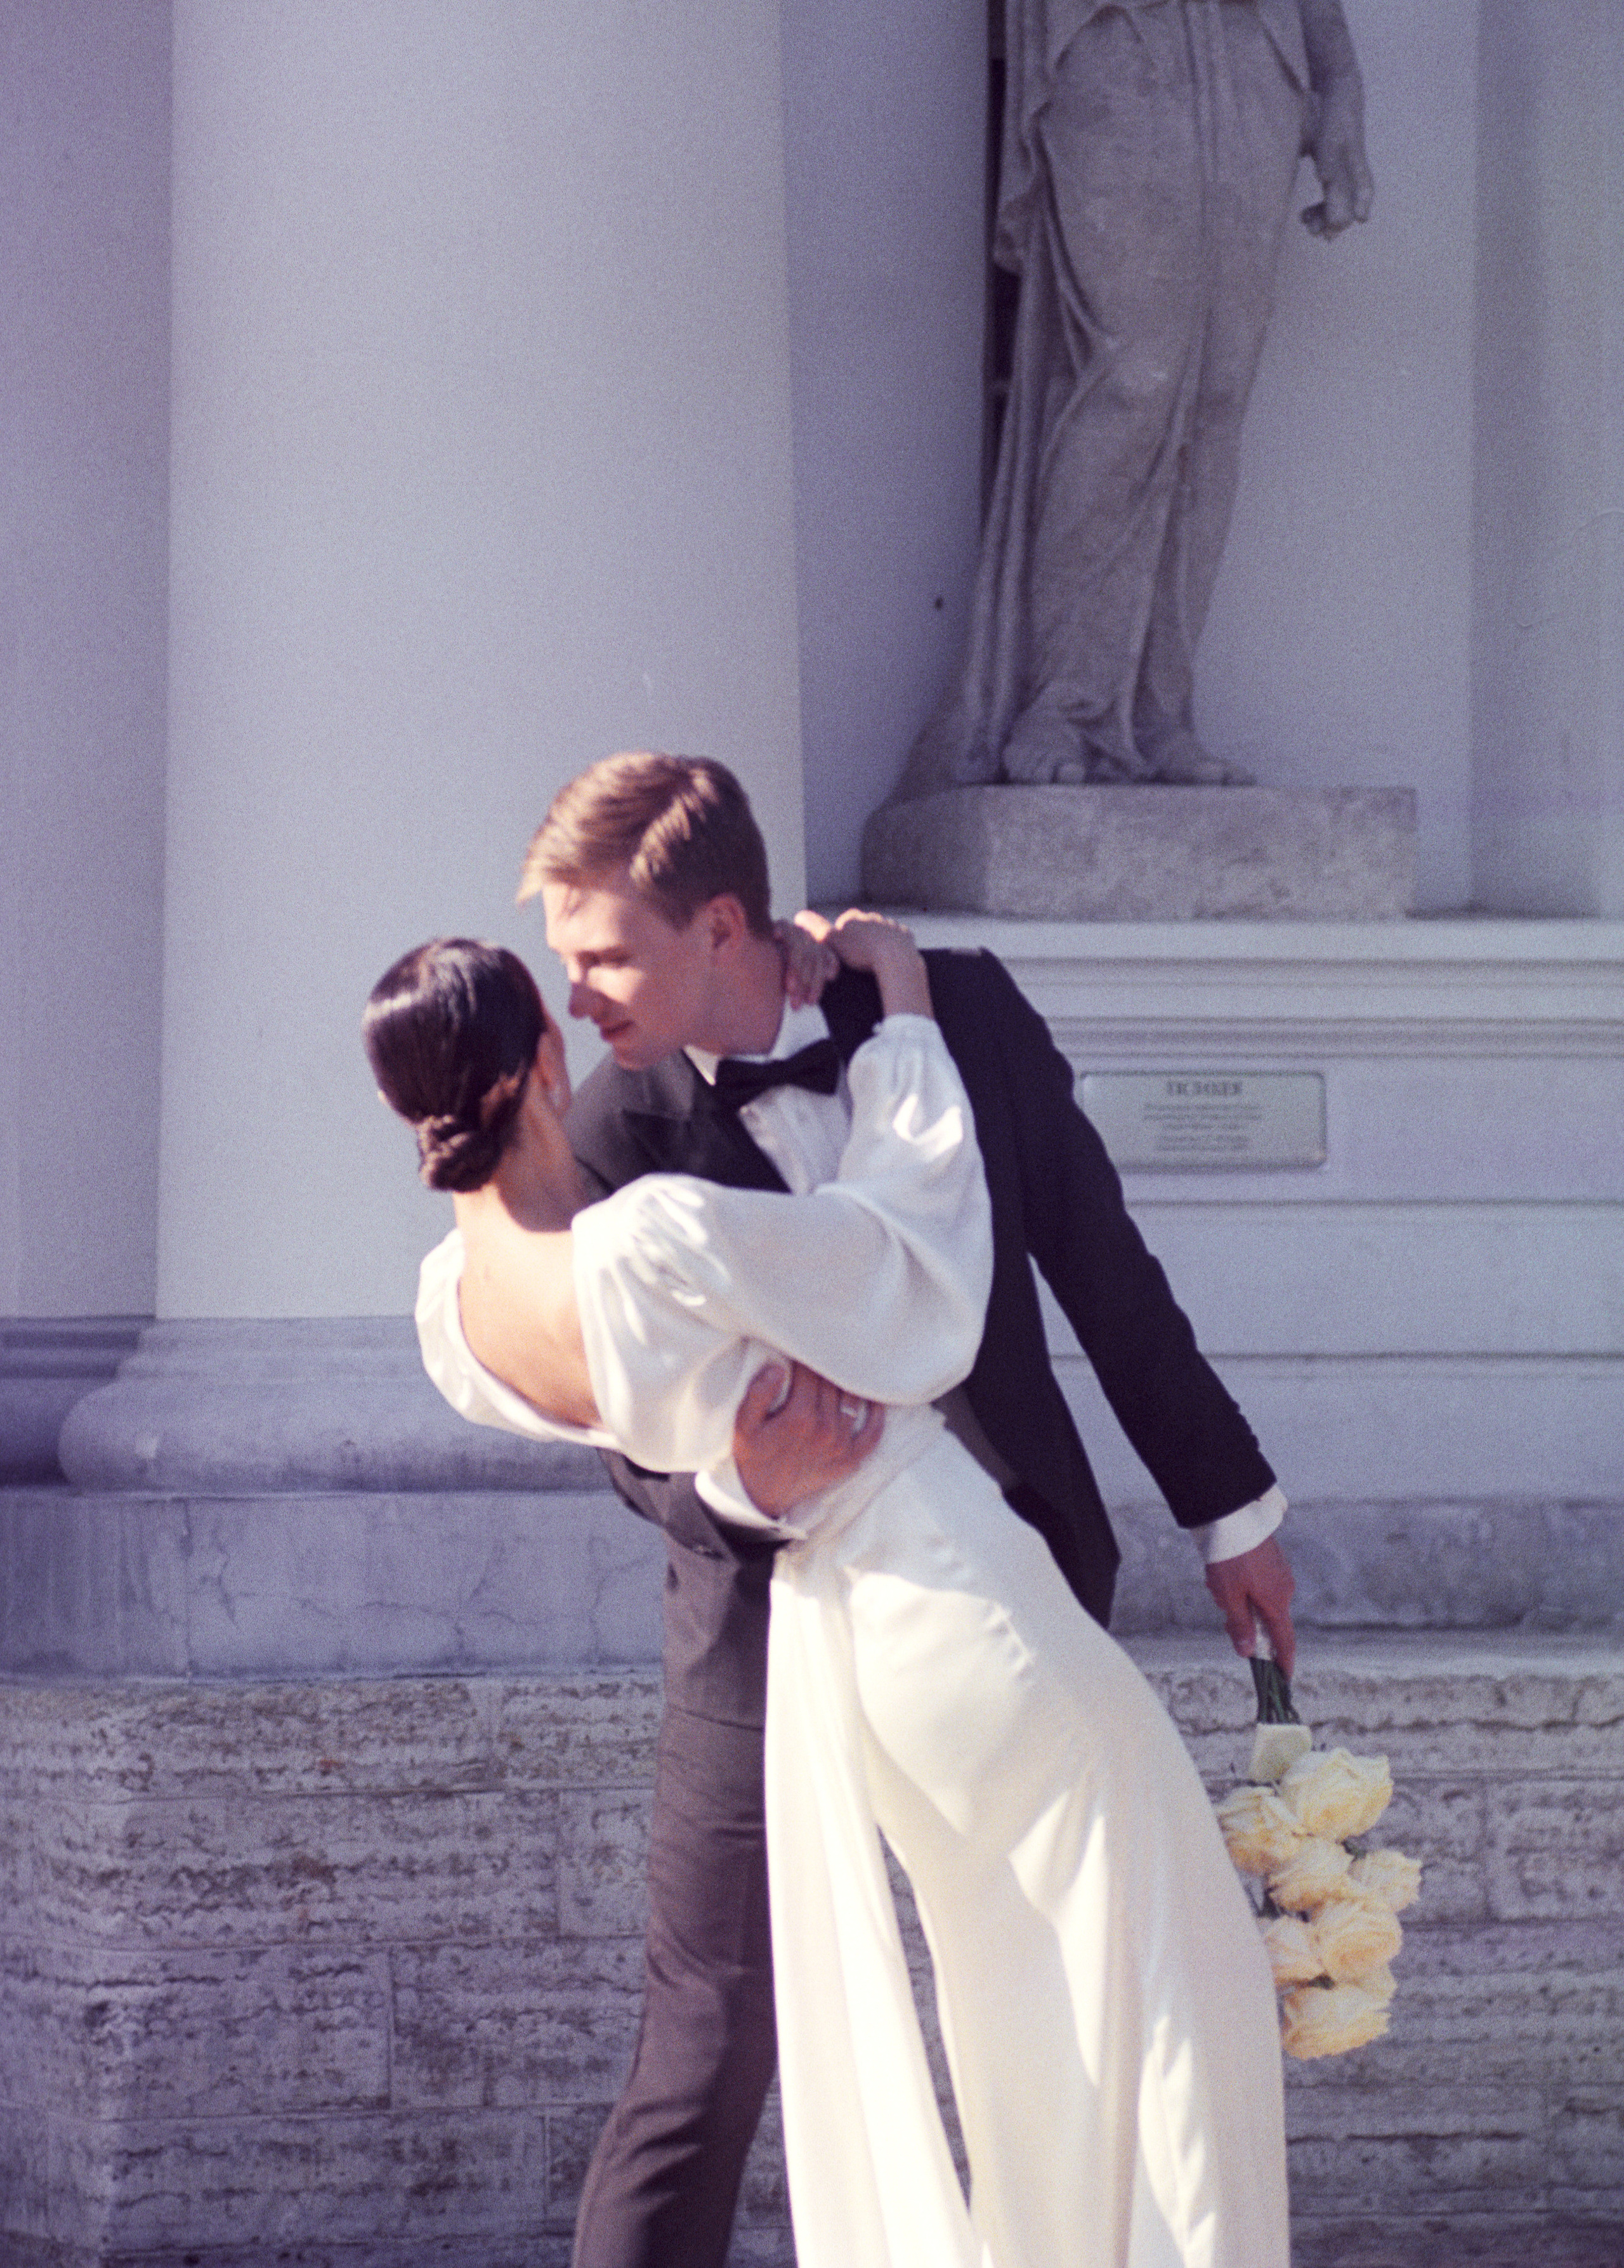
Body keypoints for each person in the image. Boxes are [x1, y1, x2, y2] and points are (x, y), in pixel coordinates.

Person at [365, 924, 1291, 2268]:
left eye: (598, 947)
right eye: (562, 974)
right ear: (546, 1067)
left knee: (1038, 2001)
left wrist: (1226, 1503)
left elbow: (1093, 1265)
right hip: (921, 1600)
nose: (583, 989)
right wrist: (905, 1011)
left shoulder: (448, 1316)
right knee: (1171, 1984)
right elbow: (915, 1268)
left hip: (839, 1637)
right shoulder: (653, 1226)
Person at [886, 0, 1375, 794]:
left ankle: (1159, 714)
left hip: (1250, 32)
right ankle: (1063, 704)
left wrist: (1337, 75)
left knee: (1216, 391)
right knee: (1139, 373)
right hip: (1100, 17)